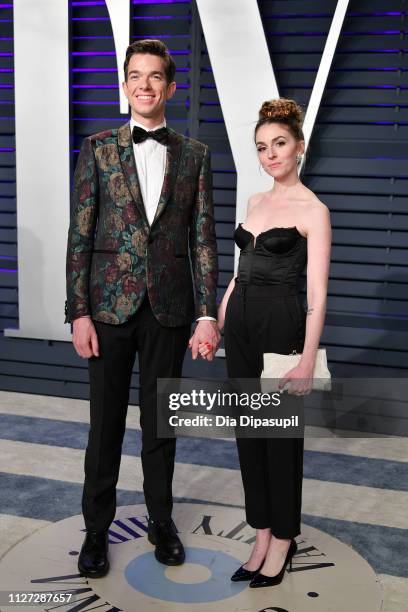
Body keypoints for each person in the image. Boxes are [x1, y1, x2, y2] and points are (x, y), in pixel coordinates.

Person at [65, 39, 220, 577]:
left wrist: (206, 314)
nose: (145, 85)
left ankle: (162, 521)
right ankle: (95, 532)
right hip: (107, 310)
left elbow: (202, 240)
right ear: (125, 84)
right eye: (136, 75)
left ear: (170, 87)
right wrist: (78, 311)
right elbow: (80, 233)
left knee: (161, 426)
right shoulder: (97, 148)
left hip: (170, 310)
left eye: (156, 76)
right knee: (103, 427)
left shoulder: (195, 155)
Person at [201, 98, 331, 588]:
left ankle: (283, 539)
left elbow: (317, 293)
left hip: (282, 321)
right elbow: (238, 276)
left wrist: (303, 361)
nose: (270, 154)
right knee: (249, 436)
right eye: (261, 147)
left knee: (279, 439)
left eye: (279, 144)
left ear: (299, 147)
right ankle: (260, 532)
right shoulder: (255, 203)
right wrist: (215, 321)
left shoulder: (314, 210)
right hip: (239, 326)